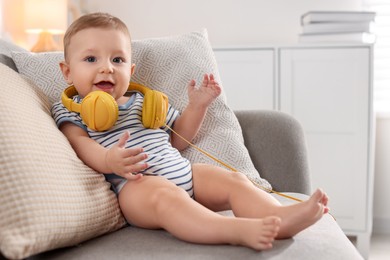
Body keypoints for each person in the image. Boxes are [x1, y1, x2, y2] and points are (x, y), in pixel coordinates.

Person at [51, 12, 329, 251]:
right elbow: (80, 145)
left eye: (118, 60)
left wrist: (197, 106)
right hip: (135, 186)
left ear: (131, 69)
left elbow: (178, 137)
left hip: (183, 171)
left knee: (235, 180)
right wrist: (109, 160)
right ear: (67, 72)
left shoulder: (147, 104)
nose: (106, 68)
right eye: (90, 59)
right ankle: (234, 230)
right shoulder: (72, 109)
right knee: (165, 197)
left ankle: (279, 217)